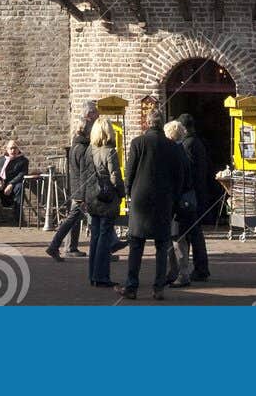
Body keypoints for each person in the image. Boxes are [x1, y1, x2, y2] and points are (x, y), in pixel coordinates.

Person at [121, 110, 187, 300]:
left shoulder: (138, 143)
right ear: (162, 123)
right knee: (162, 245)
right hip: (163, 201)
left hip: (140, 199)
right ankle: (158, 287)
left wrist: (128, 193)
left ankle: (132, 286)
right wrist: (174, 198)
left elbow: (130, 172)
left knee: (136, 244)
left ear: (147, 123)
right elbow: (179, 177)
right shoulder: (172, 147)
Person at [81, 117, 123, 288]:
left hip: (92, 198)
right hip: (106, 198)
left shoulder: (89, 150)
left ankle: (93, 275)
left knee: (96, 237)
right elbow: (115, 176)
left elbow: (84, 175)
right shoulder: (110, 151)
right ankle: (102, 276)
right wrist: (121, 192)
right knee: (104, 238)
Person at [46, 117, 91, 261]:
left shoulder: (75, 146)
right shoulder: (82, 148)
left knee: (73, 220)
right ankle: (54, 246)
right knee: (79, 219)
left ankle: (57, 246)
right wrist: (84, 196)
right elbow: (84, 173)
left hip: (77, 190)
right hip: (81, 192)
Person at [178, 111, 211, 281]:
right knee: (195, 233)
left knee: (192, 233)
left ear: (183, 128)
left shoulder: (188, 144)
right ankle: (200, 267)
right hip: (198, 193)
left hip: (192, 196)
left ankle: (200, 268)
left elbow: (189, 171)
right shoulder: (196, 142)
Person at [163, 120, 192, 287]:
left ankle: (182, 273)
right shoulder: (181, 151)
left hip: (177, 201)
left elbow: (178, 179)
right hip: (179, 200)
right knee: (174, 237)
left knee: (177, 238)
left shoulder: (176, 153)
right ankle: (174, 271)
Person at [0, 140, 29, 225]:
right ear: (7, 149)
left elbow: (22, 174)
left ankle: (18, 220)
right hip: (0, 185)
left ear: (18, 149)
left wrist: (11, 184)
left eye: (15, 148)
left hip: (13, 186)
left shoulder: (23, 161)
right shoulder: (0, 160)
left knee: (20, 187)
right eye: (11, 148)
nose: (13, 150)